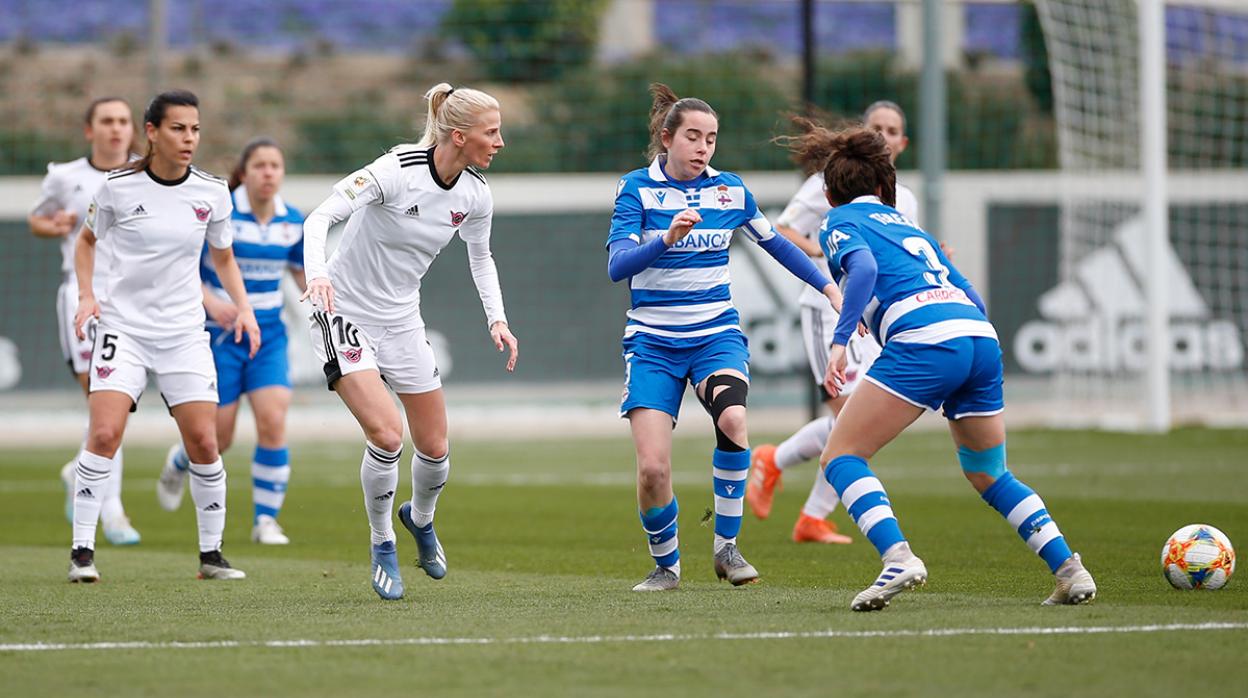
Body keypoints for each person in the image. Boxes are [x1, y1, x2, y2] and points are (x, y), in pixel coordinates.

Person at [791, 124, 1096, 611]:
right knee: (989, 472)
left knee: (841, 456)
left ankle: (898, 557)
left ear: (828, 194)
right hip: (977, 337)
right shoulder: (912, 230)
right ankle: (1069, 569)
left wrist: (841, 339)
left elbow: (865, 270)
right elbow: (969, 292)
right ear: (885, 186)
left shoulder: (837, 221)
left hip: (925, 341)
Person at [608, 84, 843, 592]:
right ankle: (666, 566)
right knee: (652, 471)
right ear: (666, 139)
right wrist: (665, 238)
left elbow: (777, 244)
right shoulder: (636, 189)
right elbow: (617, 266)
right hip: (652, 343)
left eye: (711, 139)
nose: (702, 148)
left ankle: (727, 550)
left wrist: (828, 287)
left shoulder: (730, 190)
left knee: (734, 419)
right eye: (692, 137)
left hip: (715, 335)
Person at [300, 83, 518, 601]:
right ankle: (382, 544)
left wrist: (498, 320)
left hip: (401, 321)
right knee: (387, 435)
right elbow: (320, 217)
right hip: (342, 313)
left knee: (436, 448)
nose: (500, 142)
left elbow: (480, 258)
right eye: (492, 132)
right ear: (459, 136)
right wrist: (317, 277)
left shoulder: (475, 194)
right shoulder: (396, 169)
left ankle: (420, 521)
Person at [67, 89, 258, 582]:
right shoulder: (117, 187)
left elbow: (223, 258)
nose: (189, 138)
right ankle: (82, 553)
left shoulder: (212, 192)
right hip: (123, 329)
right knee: (105, 433)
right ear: (151, 132)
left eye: (195, 129)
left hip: (183, 333)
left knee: (204, 441)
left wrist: (244, 309)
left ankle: (211, 556)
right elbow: (86, 244)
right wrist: (88, 296)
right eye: (178, 128)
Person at [747, 102, 920, 545]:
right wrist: (836, 254)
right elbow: (782, 230)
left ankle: (784, 475)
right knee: (851, 417)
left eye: (892, 129)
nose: (883, 135)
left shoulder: (907, 199)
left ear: (903, 142)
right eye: (876, 127)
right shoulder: (827, 183)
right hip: (829, 305)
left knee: (863, 417)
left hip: (874, 315)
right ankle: (806, 505)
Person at [158, 138, 306, 545]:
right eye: (260, 165)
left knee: (273, 421)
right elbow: (185, 266)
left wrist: (327, 302)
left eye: (275, 165)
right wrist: (212, 302)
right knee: (218, 437)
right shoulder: (220, 210)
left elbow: (302, 275)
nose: (268, 173)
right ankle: (178, 460)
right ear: (246, 171)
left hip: (268, 335)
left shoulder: (292, 220)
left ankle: (266, 521)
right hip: (218, 336)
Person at [29, 97, 142, 546]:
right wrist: (54, 224)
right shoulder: (67, 176)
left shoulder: (143, 175)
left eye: (123, 121)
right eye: (106, 121)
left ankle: (79, 471)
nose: (116, 129)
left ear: (135, 130)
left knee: (116, 400)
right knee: (103, 397)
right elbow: (38, 219)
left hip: (132, 300)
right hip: (81, 294)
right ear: (89, 130)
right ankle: (111, 510)